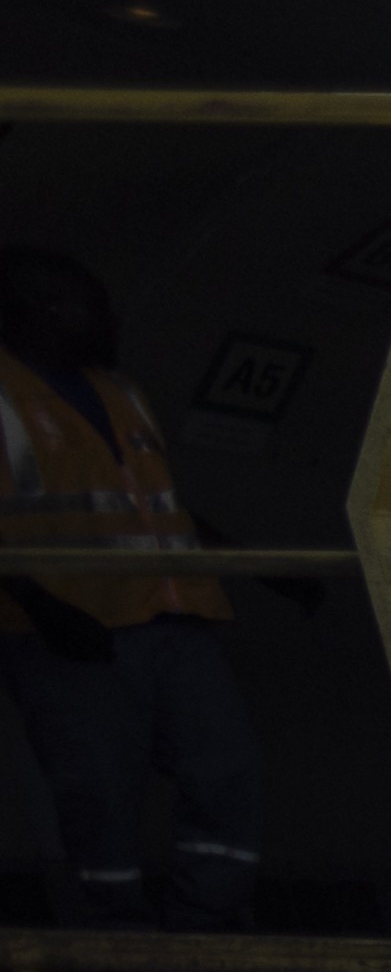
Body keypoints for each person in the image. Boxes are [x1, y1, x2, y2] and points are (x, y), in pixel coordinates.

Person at [0, 244, 266, 926]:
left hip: (176, 614)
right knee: (97, 791)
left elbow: (150, 500)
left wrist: (257, 563)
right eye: (93, 305)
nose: (109, 318)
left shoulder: (122, 391)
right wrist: (38, 604)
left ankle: (204, 922)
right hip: (67, 631)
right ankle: (112, 937)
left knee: (226, 768)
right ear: (41, 309)